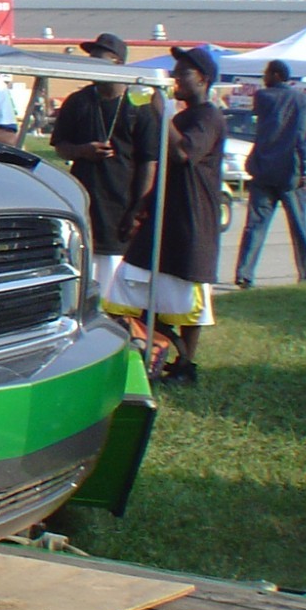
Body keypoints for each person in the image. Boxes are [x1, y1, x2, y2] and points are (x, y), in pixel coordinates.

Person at [103, 46, 227, 384]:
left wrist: (162, 114)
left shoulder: (208, 117)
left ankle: (186, 364)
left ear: (202, 79)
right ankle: (149, 347)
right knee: (136, 281)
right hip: (163, 215)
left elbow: (183, 153)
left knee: (186, 291)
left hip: (191, 217)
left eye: (183, 72)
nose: (175, 77)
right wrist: (141, 206)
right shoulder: (184, 116)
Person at [50, 32, 161, 295]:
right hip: (85, 198)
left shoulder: (138, 105)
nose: (92, 64)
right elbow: (60, 145)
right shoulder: (79, 101)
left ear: (117, 62)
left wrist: (137, 208)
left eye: (99, 59)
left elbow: (149, 161)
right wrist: (83, 151)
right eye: (91, 59)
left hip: (121, 205)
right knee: (81, 264)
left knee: (116, 280)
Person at [233, 60, 306, 287]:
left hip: (263, 168)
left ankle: (244, 272)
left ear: (277, 75)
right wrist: (305, 168)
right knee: (299, 226)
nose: (264, 77)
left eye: (267, 73)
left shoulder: (263, 97)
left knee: (255, 225)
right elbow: (303, 136)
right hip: (290, 170)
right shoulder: (301, 101)